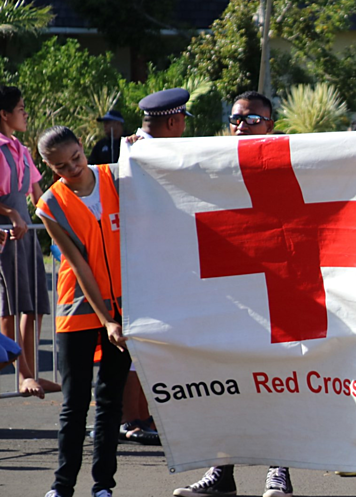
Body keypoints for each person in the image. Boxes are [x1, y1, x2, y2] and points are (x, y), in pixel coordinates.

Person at [173, 91, 293, 497]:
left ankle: (279, 471)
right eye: (236, 118)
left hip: (276, 292)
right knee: (225, 384)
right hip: (228, 293)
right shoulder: (215, 164)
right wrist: (144, 150)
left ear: (271, 124)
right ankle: (221, 472)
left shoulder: (284, 161)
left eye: (253, 120)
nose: (242, 125)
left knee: (277, 385)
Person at [36, 126, 130, 497]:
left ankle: (103, 486)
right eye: (61, 166)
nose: (73, 168)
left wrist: (139, 147)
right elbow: (78, 263)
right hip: (78, 308)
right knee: (74, 403)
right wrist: (106, 319)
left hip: (125, 306)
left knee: (110, 401)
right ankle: (62, 487)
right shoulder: (49, 205)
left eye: (76, 158)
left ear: (81, 148)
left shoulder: (118, 178)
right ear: (50, 167)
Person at [120, 88, 193, 446]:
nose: (183, 131)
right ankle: (131, 418)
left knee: (149, 344)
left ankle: (142, 415)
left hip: (154, 260)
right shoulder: (140, 152)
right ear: (174, 121)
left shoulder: (140, 149)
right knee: (142, 346)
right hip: (146, 263)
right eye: (181, 124)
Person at [0, 85, 54, 398]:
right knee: (11, 307)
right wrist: (9, 212)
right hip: (6, 236)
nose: (25, 113)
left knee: (34, 305)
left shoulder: (21, 149)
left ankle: (30, 372)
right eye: (20, 108)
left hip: (26, 235)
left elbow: (39, 195)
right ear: (4, 114)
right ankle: (21, 374)